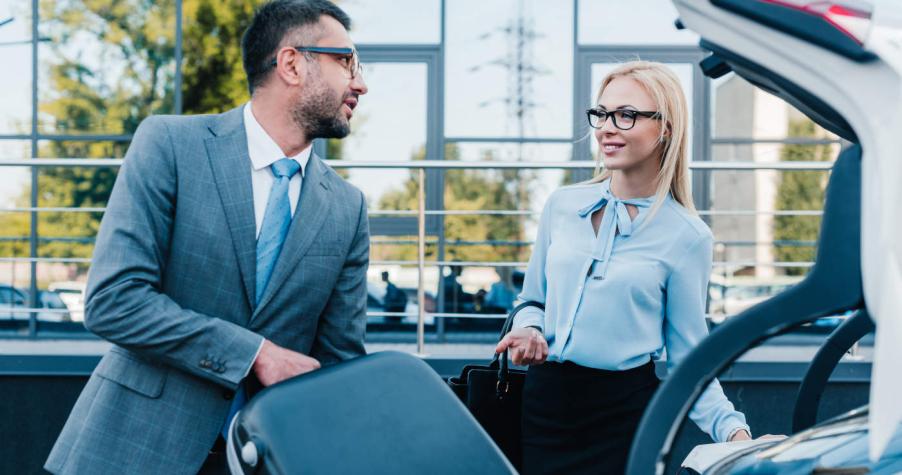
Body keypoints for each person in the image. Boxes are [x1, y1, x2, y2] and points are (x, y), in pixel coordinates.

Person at [45, 1, 369, 473]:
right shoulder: (170, 145)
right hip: (132, 450)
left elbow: (337, 363)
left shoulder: (348, 207)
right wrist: (254, 354)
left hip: (265, 458)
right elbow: (114, 300)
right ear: (292, 64)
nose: (360, 82)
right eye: (346, 62)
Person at [496, 61, 752, 474]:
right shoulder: (562, 206)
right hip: (545, 407)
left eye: (626, 115)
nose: (606, 128)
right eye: (601, 114)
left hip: (624, 418)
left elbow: (688, 355)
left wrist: (734, 433)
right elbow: (532, 300)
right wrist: (529, 328)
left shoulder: (688, 236)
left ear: (665, 127)